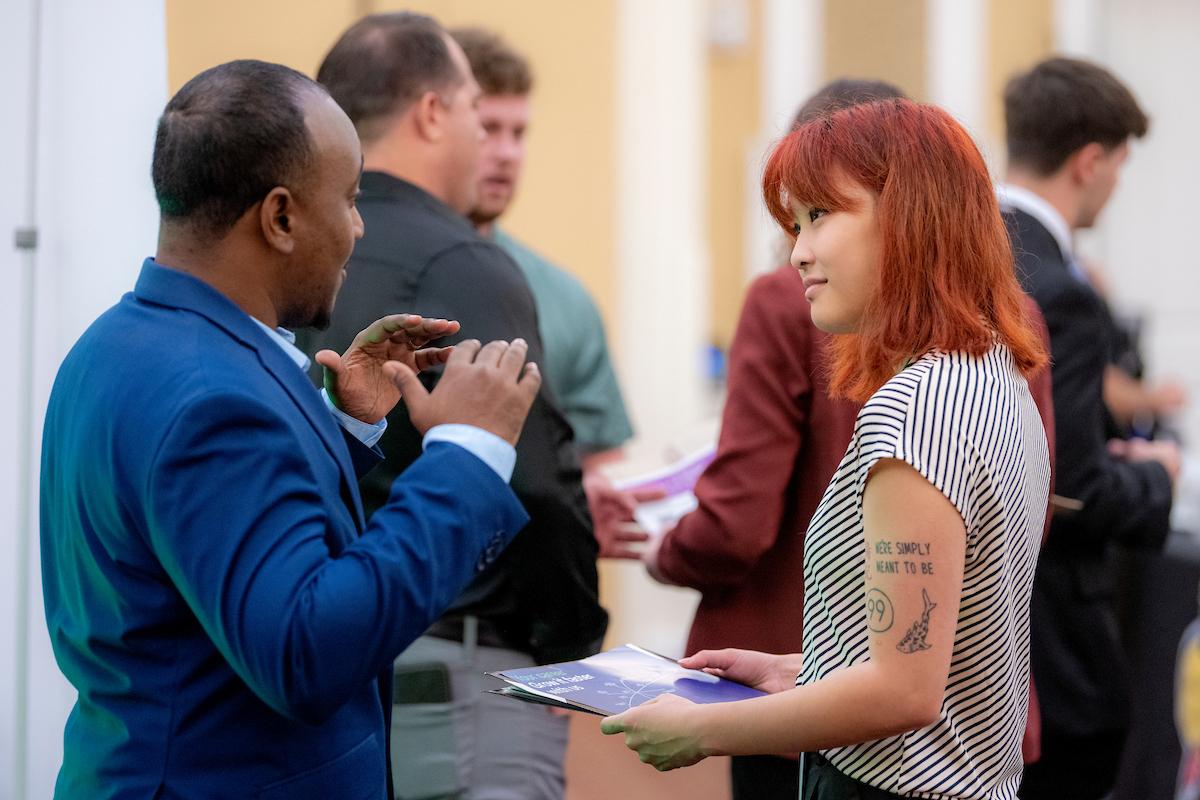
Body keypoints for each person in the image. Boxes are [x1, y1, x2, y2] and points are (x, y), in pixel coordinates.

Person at [39, 59, 543, 800]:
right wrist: (467, 454)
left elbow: (201, 543)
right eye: (348, 198)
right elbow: (306, 652)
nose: (359, 226)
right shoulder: (213, 396)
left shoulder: (119, 343)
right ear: (279, 217)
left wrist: (337, 424)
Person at [602, 99, 1051, 800]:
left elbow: (904, 693)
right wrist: (799, 670)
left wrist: (700, 731)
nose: (799, 250)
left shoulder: (917, 407)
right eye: (795, 223)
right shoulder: (989, 372)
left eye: (820, 216)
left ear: (910, 217)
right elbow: (943, 652)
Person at [301, 13, 604, 800]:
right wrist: (575, 642)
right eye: (478, 111)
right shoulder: (466, 263)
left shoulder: (293, 254)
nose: (490, 140)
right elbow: (532, 480)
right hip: (466, 671)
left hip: (328, 663)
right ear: (434, 114)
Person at [998, 56, 1181, 800]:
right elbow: (1066, 491)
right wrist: (1154, 475)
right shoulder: (1062, 292)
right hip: (1048, 648)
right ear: (1090, 161)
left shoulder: (961, 256)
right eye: (1119, 168)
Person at [450, 26, 649, 559]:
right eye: (488, 128)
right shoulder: (368, 270)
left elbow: (602, 464)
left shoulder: (563, 298)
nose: (507, 153)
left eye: (519, 132)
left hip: (536, 610)